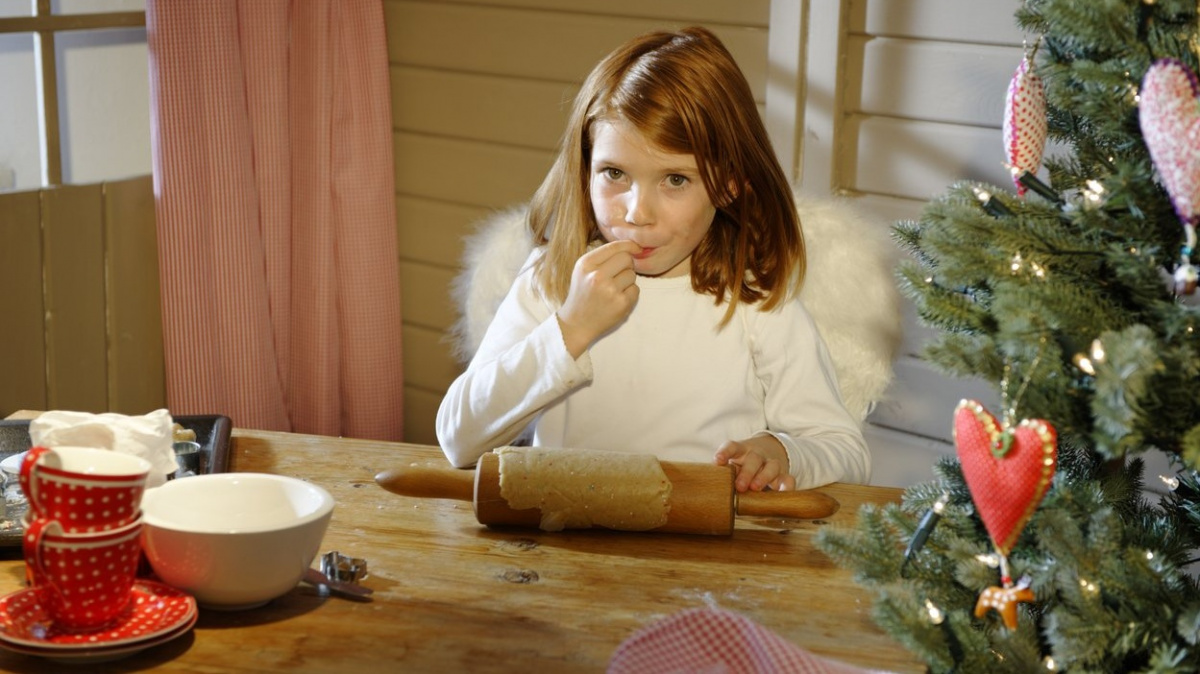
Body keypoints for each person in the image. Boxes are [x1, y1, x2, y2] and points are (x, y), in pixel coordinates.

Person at [436, 26, 869, 492]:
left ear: (728, 184)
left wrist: (782, 452)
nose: (636, 214)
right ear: (585, 170)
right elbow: (459, 439)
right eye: (615, 173)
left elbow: (846, 452)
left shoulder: (754, 303)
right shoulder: (555, 280)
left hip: (704, 557)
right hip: (563, 551)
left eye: (675, 180)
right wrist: (570, 330)